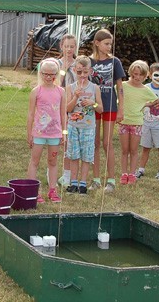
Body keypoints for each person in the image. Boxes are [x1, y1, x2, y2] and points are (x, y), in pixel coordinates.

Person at [89, 29, 125, 192]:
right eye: (106, 43)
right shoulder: (89, 61)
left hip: (110, 105)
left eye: (110, 43)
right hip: (94, 106)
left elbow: (120, 86)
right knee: (95, 143)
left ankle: (111, 180)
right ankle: (95, 179)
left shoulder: (115, 62)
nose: (109, 46)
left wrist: (121, 109)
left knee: (107, 143)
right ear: (97, 43)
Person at [27, 58, 66, 203]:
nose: (49, 77)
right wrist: (29, 133)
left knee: (53, 161)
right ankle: (32, 190)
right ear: (41, 74)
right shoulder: (36, 91)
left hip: (54, 133)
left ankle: (52, 189)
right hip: (39, 133)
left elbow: (63, 114)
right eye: (45, 74)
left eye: (52, 74)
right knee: (34, 160)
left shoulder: (61, 92)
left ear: (57, 74)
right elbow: (31, 114)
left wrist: (64, 132)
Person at [64, 55, 102, 194]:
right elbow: (67, 109)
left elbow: (101, 109)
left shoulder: (95, 88)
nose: (82, 75)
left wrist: (93, 103)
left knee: (86, 155)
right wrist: (75, 97)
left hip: (88, 127)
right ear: (74, 70)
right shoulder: (70, 87)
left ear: (90, 71)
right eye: (79, 72)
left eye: (85, 72)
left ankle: (83, 183)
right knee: (73, 155)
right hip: (73, 126)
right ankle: (73, 182)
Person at [118, 61, 159, 185]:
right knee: (124, 150)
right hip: (124, 121)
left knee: (134, 150)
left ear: (146, 76)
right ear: (130, 73)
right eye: (135, 74)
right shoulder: (123, 86)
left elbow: (156, 101)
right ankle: (124, 173)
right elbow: (117, 96)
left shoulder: (145, 89)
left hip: (137, 122)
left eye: (140, 75)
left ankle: (132, 173)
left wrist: (144, 104)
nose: (137, 77)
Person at [57, 34, 78, 187]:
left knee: (68, 140)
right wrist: (63, 70)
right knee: (56, 138)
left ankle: (67, 173)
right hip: (57, 104)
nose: (69, 49)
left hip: (72, 105)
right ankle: (52, 169)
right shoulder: (56, 64)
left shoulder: (78, 64)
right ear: (61, 47)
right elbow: (56, 82)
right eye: (66, 46)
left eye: (72, 46)